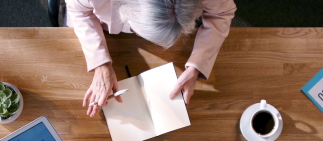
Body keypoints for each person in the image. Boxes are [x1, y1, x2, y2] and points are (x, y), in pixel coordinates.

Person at [67, 0, 237, 116]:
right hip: (102, 28)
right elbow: (78, 11)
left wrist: (197, 65)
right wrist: (100, 63)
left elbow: (222, 12)